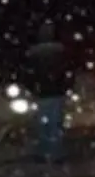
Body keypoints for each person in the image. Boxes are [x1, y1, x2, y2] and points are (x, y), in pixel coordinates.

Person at [25, 21, 69, 163]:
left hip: (43, 91)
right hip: (55, 91)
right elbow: (66, 70)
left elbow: (29, 73)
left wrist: (32, 88)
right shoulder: (60, 50)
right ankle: (55, 153)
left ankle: (44, 152)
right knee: (55, 123)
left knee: (43, 123)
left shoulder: (34, 53)